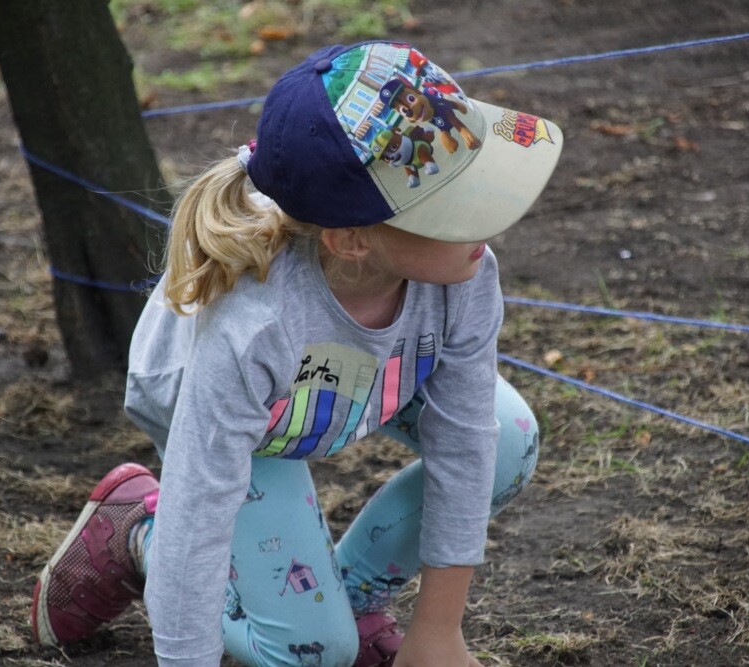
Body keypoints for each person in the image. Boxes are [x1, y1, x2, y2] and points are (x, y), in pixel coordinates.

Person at [30, 40, 563, 667]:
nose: (488, 223)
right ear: (353, 239)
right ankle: (135, 533)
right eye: (454, 207)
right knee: (312, 654)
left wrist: (438, 634)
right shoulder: (250, 328)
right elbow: (199, 527)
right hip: (244, 424)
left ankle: (355, 604)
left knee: (509, 438)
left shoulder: (464, 273)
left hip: (355, 381)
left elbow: (467, 435)